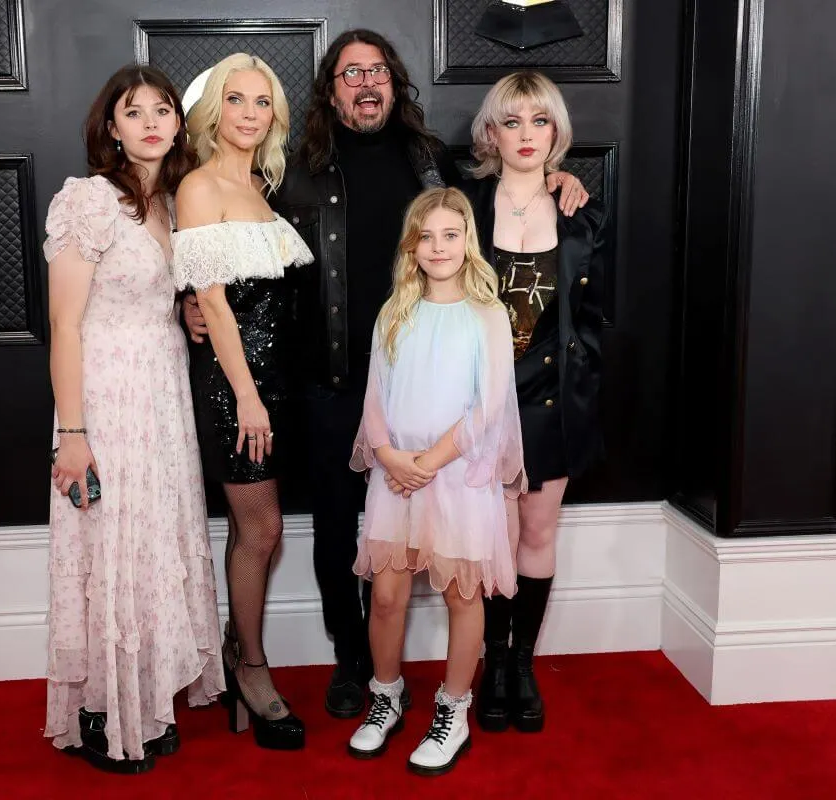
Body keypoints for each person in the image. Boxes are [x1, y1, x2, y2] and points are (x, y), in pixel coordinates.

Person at [184, 29, 588, 719]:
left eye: (377, 71)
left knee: (426, 534)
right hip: (333, 382)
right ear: (331, 89)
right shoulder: (291, 165)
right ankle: (354, 662)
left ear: (395, 83)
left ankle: (427, 672)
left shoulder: (430, 159)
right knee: (343, 532)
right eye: (349, 73)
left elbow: (486, 216)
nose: (365, 82)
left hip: (426, 383)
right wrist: (189, 301)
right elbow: (224, 235)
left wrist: (557, 176)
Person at [43, 65, 224, 774]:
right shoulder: (88, 201)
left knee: (153, 541)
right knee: (108, 545)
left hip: (163, 393)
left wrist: (181, 308)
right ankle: (99, 709)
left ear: (178, 123)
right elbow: (64, 325)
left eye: (163, 109)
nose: (150, 120)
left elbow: (159, 291)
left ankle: (146, 695)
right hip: (105, 396)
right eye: (133, 110)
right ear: (110, 127)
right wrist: (73, 434)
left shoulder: (176, 203)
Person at [345, 187, 524, 776]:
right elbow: (375, 394)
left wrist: (429, 461)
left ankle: (453, 710)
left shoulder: (487, 314)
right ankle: (386, 696)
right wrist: (392, 456)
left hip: (457, 476)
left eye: (451, 235)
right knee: (389, 595)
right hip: (396, 476)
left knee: (461, 593)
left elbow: (488, 406)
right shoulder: (395, 310)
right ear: (411, 245)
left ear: (467, 240)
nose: (439, 246)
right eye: (427, 236)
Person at [461, 70, 612, 734]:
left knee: (537, 533)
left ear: (557, 132)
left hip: (555, 397)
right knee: (492, 538)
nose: (527, 135)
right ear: (491, 133)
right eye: (512, 122)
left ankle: (523, 664)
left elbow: (598, 311)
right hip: (484, 401)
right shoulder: (462, 204)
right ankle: (493, 663)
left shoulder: (584, 211)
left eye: (540, 121)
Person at [171, 53, 314, 751]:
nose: (251, 114)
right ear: (214, 112)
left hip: (277, 380)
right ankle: (249, 667)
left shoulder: (265, 185)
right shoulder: (198, 186)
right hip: (236, 387)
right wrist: (248, 399)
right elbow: (215, 308)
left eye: (263, 102)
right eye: (238, 100)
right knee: (262, 530)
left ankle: (240, 651)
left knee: (257, 528)